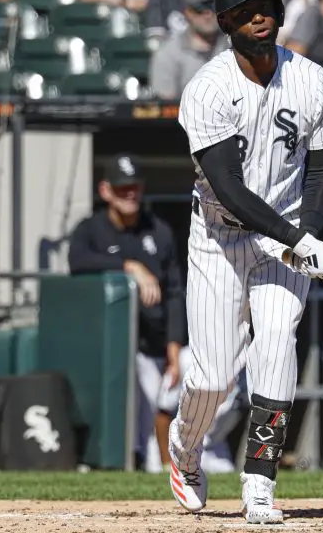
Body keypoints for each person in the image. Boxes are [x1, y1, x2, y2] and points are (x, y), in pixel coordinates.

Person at [169, 0, 323, 524]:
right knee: (212, 376)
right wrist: (299, 239)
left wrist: (309, 236)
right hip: (220, 237)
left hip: (286, 241)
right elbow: (228, 187)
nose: (259, 15)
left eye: (266, 4)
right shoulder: (207, 89)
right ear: (225, 22)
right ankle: (185, 449)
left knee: (276, 343)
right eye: (245, 10)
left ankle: (260, 481)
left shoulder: (312, 78)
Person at [68, 153, 190, 472]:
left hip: (160, 343)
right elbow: (77, 262)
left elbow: (175, 292)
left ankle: (175, 461)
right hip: (116, 349)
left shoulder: (158, 231)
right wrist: (128, 268)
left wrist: (174, 351)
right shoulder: (91, 229)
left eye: (134, 187)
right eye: (122, 189)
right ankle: (140, 459)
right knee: (140, 391)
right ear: (106, 190)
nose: (130, 194)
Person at [149, 0, 229, 99]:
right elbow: (166, 107)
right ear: (187, 13)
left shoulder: (233, 46)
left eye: (213, 7)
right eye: (200, 8)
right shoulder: (168, 53)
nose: (207, 14)